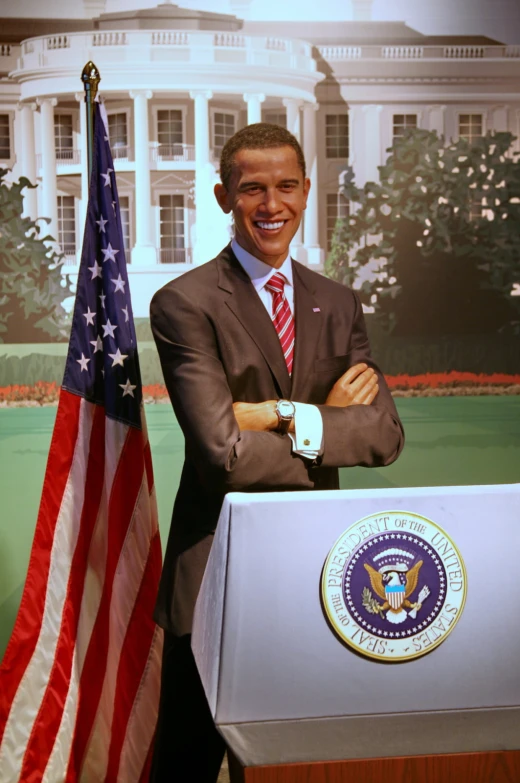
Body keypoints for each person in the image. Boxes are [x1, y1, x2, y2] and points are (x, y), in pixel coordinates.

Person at [149, 123, 404, 782]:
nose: (272, 204)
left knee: (299, 766)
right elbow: (222, 455)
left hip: (317, 570)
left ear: (306, 190)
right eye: (252, 188)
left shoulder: (338, 302)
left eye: (286, 185)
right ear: (222, 196)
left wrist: (280, 414)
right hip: (215, 574)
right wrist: (330, 422)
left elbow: (384, 436)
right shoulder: (184, 302)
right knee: (187, 762)